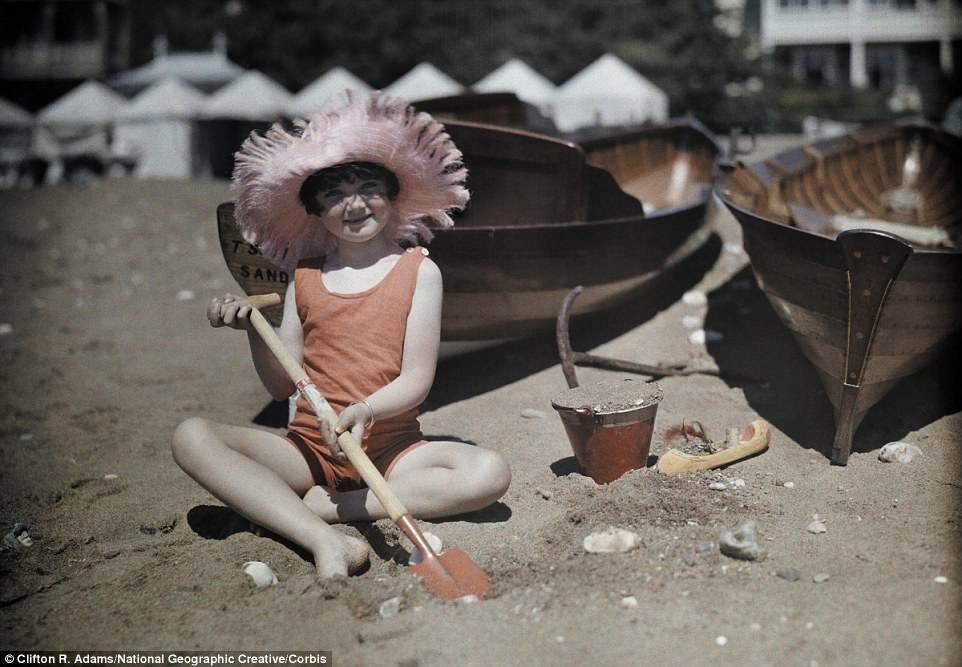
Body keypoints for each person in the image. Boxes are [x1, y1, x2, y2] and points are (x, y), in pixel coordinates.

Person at [171, 92, 511, 579]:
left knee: (490, 473)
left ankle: (335, 510)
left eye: (369, 187)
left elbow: (417, 378)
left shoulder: (418, 271)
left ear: (393, 198)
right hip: (308, 449)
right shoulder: (303, 275)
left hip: (393, 450)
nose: (354, 204)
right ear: (314, 208)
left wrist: (365, 410)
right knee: (191, 437)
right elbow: (282, 387)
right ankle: (324, 540)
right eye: (333, 193)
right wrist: (254, 330)